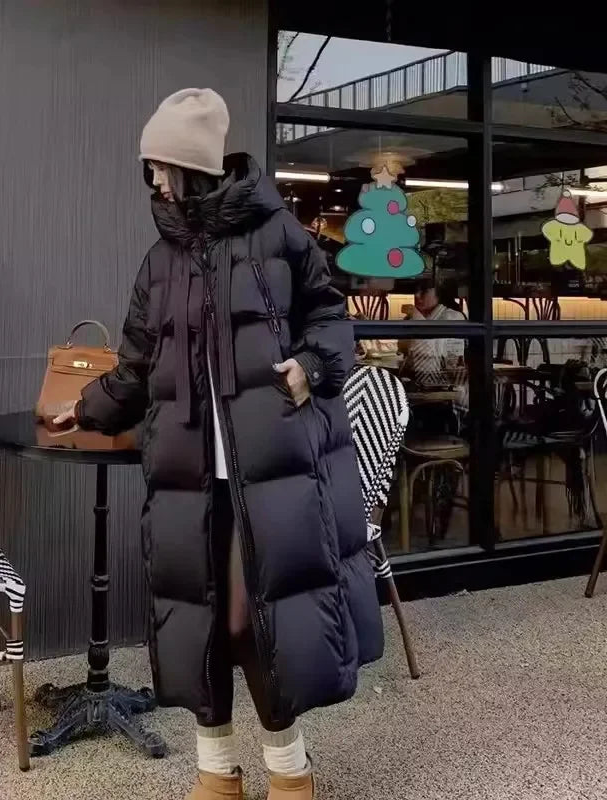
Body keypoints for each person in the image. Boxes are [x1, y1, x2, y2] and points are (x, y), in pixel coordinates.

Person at [54, 88, 382, 800]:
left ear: (191, 165)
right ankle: (217, 773)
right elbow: (138, 365)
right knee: (197, 626)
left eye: (159, 166)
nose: (152, 180)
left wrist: (314, 366)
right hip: (189, 470)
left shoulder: (279, 235)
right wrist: (81, 408)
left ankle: (291, 776)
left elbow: (331, 316)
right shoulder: (159, 260)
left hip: (276, 465)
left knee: (246, 623)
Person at [399, 278, 466, 385]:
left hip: (446, 386)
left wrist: (416, 317)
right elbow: (402, 349)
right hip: (414, 383)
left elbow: (435, 353)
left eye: (424, 291)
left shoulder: (453, 317)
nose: (416, 295)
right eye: (415, 291)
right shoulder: (412, 318)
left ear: (439, 294)